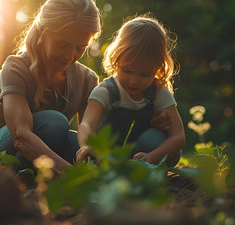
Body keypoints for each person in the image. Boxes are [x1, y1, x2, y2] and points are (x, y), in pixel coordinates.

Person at [0, 1, 172, 175]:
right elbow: (21, 136)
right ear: (43, 32)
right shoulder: (16, 67)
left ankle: (29, 173)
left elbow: (92, 134)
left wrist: (148, 122)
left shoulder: (86, 79)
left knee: (85, 148)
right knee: (55, 123)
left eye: (80, 47)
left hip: (48, 144)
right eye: (62, 44)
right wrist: (67, 171)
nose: (70, 55)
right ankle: (10, 172)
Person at [76, 15, 185, 167]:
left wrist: (152, 157)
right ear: (116, 60)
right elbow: (87, 124)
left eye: (144, 75)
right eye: (127, 70)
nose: (133, 81)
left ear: (158, 68)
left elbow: (178, 137)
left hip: (142, 158)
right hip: (107, 156)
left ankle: (147, 173)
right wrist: (87, 146)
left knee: (157, 139)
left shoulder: (159, 93)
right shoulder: (106, 91)